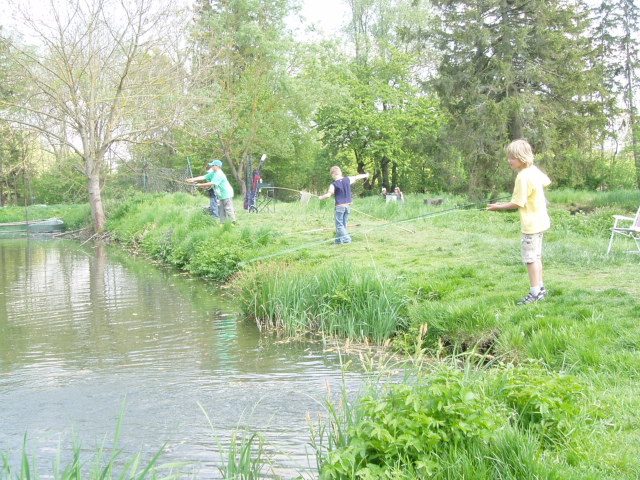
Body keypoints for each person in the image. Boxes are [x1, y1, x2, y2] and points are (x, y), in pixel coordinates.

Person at [487, 139, 551, 305]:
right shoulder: (533, 171)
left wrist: (498, 207)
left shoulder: (522, 177)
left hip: (531, 225)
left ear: (522, 157)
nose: (509, 160)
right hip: (541, 221)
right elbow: (546, 182)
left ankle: (535, 293)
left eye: (512, 157)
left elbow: (518, 203)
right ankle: (541, 289)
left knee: (530, 259)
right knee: (536, 257)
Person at [318, 166, 370, 244]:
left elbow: (328, 195)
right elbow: (357, 177)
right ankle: (338, 241)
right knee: (343, 225)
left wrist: (321, 197)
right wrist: (366, 175)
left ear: (333, 174)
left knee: (339, 225)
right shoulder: (348, 179)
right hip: (347, 207)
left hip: (339, 207)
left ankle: (347, 239)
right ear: (340, 172)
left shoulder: (333, 184)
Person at [187, 159, 236, 225]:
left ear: (217, 166)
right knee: (221, 209)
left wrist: (200, 185)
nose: (211, 167)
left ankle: (233, 222)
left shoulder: (219, 174)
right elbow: (203, 177)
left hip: (226, 193)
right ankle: (223, 223)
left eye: (213, 165)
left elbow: (212, 183)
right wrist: (192, 179)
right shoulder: (213, 173)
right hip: (220, 194)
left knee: (228, 208)